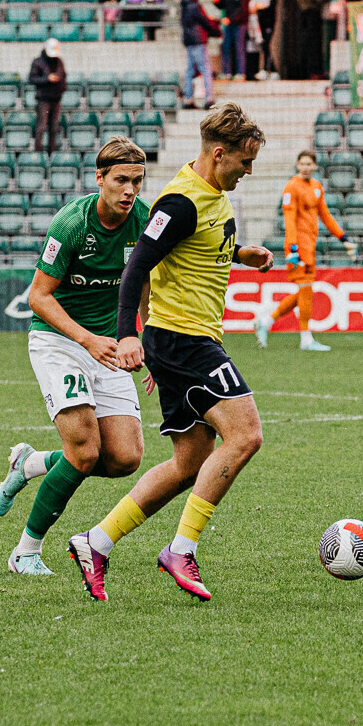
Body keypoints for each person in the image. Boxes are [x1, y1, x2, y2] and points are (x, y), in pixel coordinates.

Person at [67, 104, 276, 603]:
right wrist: (128, 335)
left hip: (189, 340)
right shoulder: (180, 201)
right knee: (245, 435)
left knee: (190, 462)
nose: (249, 171)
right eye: (244, 162)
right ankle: (181, 549)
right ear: (219, 154)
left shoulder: (211, 194)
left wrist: (240, 253)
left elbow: (193, 243)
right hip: (183, 340)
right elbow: (137, 267)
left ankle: (96, 542)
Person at [0, 137, 151, 577]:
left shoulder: (143, 219)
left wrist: (148, 342)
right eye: (121, 180)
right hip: (60, 341)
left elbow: (144, 283)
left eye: (137, 181)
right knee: (83, 450)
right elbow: (38, 297)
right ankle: (25, 552)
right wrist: (86, 340)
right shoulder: (71, 224)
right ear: (99, 178)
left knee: (125, 459)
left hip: (109, 345)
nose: (129, 190)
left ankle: (32, 464)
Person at [257, 150, 357, 352]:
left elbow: (325, 215)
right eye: (302, 163)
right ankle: (305, 338)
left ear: (315, 166)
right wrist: (293, 249)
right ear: (297, 165)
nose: (305, 167)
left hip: (309, 246)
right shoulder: (292, 187)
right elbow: (289, 220)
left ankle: (266, 321)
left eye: (308, 164)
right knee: (306, 290)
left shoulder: (316, 187)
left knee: (305, 292)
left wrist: (343, 237)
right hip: (297, 248)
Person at [179, 0, 217, 108]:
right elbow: (205, 21)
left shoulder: (184, 5)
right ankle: (209, 99)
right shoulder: (195, 6)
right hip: (198, 40)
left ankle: (188, 99)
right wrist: (216, 30)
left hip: (189, 41)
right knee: (205, 69)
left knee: (190, 70)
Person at [29, 38, 66, 153]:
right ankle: (38, 152)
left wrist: (60, 85)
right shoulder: (38, 62)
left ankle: (52, 152)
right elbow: (32, 78)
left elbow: (63, 77)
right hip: (43, 99)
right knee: (41, 126)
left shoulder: (59, 62)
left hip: (56, 98)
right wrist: (47, 79)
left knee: (54, 127)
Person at [214, 0, 251, 80]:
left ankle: (241, 72)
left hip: (239, 24)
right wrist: (216, 2)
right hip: (229, 24)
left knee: (239, 48)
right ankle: (227, 72)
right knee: (226, 46)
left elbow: (242, 11)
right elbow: (222, 5)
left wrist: (230, 19)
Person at [248, 0, 278, 79]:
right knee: (263, 45)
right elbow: (252, 6)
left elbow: (271, 6)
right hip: (259, 21)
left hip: (268, 21)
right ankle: (273, 70)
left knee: (266, 44)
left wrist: (260, 6)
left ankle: (267, 69)